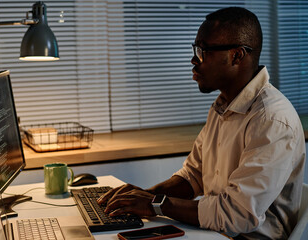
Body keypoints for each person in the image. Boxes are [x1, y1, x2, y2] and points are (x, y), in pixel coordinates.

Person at [97, 7, 306, 239]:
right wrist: (143, 196)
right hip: (215, 232)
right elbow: (193, 176)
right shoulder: (222, 106)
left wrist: (156, 204)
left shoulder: (271, 120)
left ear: (236, 55)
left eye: (203, 50)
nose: (193, 60)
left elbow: (237, 214)